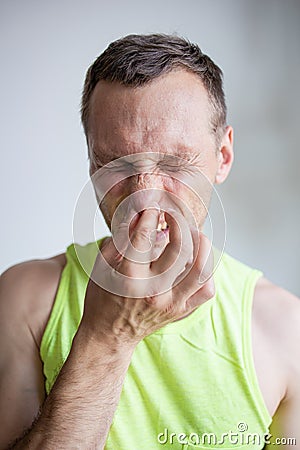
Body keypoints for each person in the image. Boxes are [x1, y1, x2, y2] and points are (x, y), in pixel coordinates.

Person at [0, 34, 299, 450]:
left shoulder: (286, 330)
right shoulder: (24, 299)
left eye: (175, 163)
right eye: (115, 163)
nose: (145, 194)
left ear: (223, 157)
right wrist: (107, 337)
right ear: (91, 165)